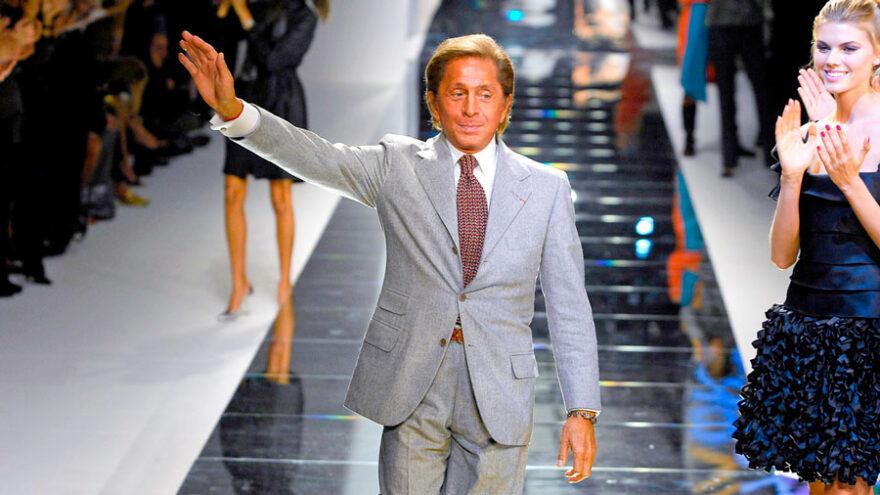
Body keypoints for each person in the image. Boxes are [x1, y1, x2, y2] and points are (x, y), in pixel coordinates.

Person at [179, 31, 600, 492]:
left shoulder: (546, 188)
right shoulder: (397, 165)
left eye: (485, 94)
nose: (470, 108)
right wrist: (233, 111)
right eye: (457, 93)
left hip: (500, 390)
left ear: (505, 106)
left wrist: (581, 410)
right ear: (433, 103)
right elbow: (316, 156)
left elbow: (569, 306)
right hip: (412, 382)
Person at [732, 1, 880, 494]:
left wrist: (850, 182)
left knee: (848, 485)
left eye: (849, 47)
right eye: (824, 47)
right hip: (809, 330)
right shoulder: (806, 135)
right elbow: (781, 256)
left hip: (869, 332)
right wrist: (793, 176)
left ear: (878, 54)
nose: (833, 59)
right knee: (821, 483)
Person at [216, 0, 329, 321]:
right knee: (232, 190)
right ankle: (238, 284)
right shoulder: (254, 5)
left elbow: (274, 60)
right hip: (243, 100)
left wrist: (245, 18)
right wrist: (226, 13)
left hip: (281, 103)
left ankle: (283, 283)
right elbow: (222, 44)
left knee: (281, 196)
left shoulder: (304, 16)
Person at [706, 0, 773, 176]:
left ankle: (731, 157)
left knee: (749, 91)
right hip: (742, 21)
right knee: (759, 91)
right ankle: (767, 153)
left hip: (732, 22)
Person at [677, 0, 711, 156]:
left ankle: (732, 144)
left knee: (727, 83)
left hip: (716, 16)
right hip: (696, 15)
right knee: (690, 80)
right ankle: (689, 138)